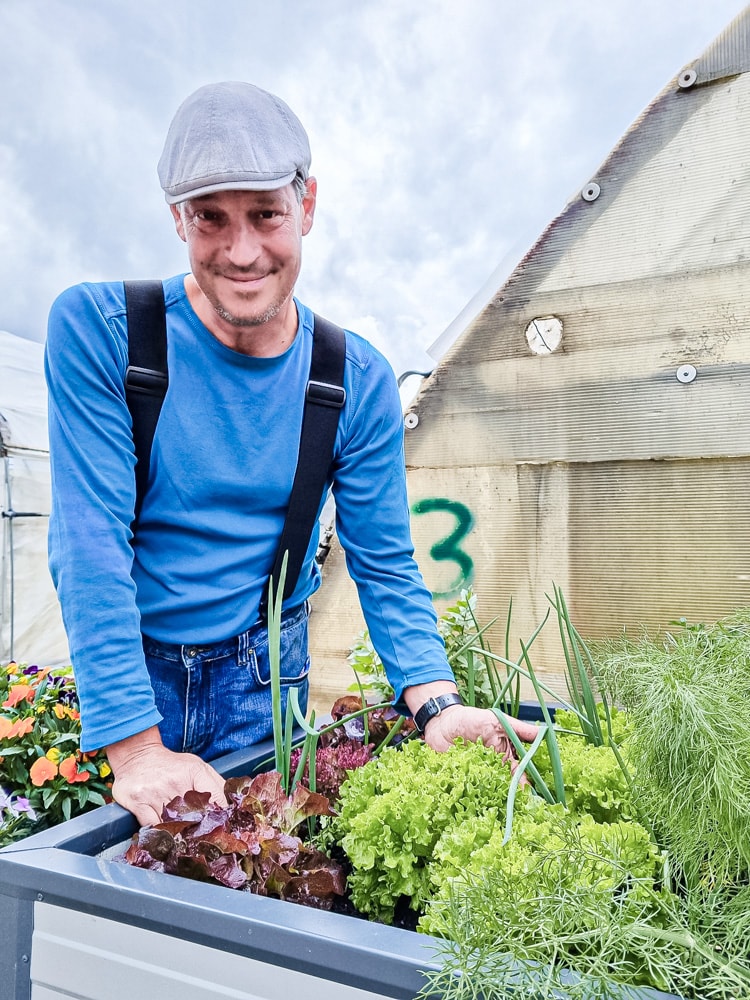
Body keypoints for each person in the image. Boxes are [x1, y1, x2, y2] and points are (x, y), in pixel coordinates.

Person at [45, 82, 537, 828]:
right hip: (131, 673)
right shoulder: (104, 332)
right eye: (211, 218)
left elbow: (385, 561)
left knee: (259, 870)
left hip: (262, 673)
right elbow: (90, 545)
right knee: (124, 890)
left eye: (266, 214)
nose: (242, 252)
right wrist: (137, 748)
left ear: (306, 207)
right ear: (178, 219)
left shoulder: (352, 378)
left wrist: (436, 701)